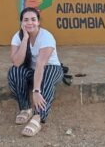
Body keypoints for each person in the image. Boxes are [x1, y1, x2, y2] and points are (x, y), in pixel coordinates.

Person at [7, 7, 63, 137]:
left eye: (33, 19)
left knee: (47, 78)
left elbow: (41, 64)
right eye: (26, 20)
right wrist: (25, 39)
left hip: (51, 68)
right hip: (31, 70)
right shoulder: (18, 37)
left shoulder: (46, 37)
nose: (30, 23)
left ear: (38, 22)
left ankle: (38, 116)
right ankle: (25, 108)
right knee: (14, 72)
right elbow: (16, 62)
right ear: (21, 23)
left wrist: (36, 91)